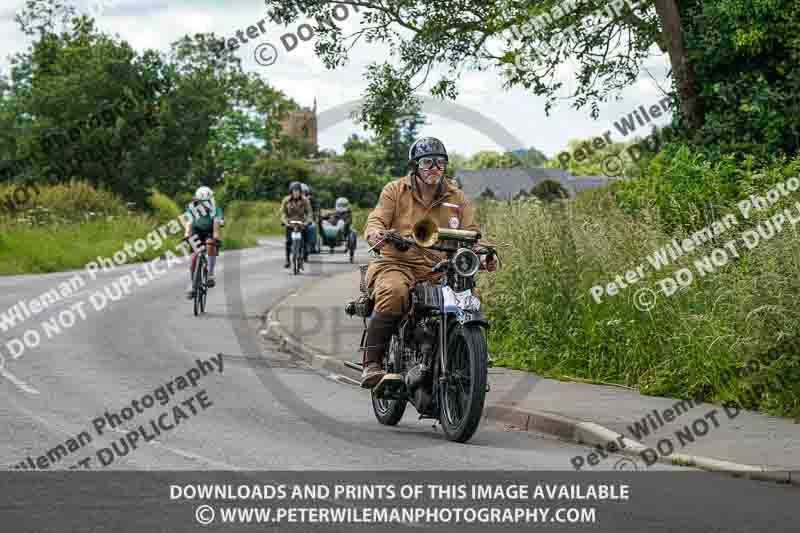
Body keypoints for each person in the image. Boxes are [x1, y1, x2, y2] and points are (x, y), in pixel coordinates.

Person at [360, 137, 498, 388]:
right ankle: (372, 363)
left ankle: (470, 359)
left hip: (441, 268)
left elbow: (472, 234)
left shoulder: (458, 198)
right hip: (397, 262)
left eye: (440, 163)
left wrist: (484, 253)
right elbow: (376, 219)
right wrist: (375, 233)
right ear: (415, 166)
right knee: (394, 292)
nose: (434, 168)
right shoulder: (395, 190)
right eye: (427, 162)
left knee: (470, 298)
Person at [183, 186, 223, 299]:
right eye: (201, 202)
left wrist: (215, 237)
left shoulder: (215, 209)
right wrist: (186, 234)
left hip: (210, 231)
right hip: (197, 231)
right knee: (193, 259)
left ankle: (210, 274)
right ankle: (192, 284)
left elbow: (216, 226)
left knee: (210, 243)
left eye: (207, 201)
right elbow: (189, 223)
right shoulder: (192, 208)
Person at [280, 181, 313, 268]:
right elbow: (283, 213)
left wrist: (308, 221)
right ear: (291, 191)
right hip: (290, 223)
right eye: (294, 191)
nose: (296, 193)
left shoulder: (305, 200)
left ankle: (304, 255)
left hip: (301, 223)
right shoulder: (286, 200)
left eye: (297, 191)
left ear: (300, 191)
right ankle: (287, 260)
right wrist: (284, 221)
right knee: (288, 242)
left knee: (305, 239)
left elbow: (309, 212)